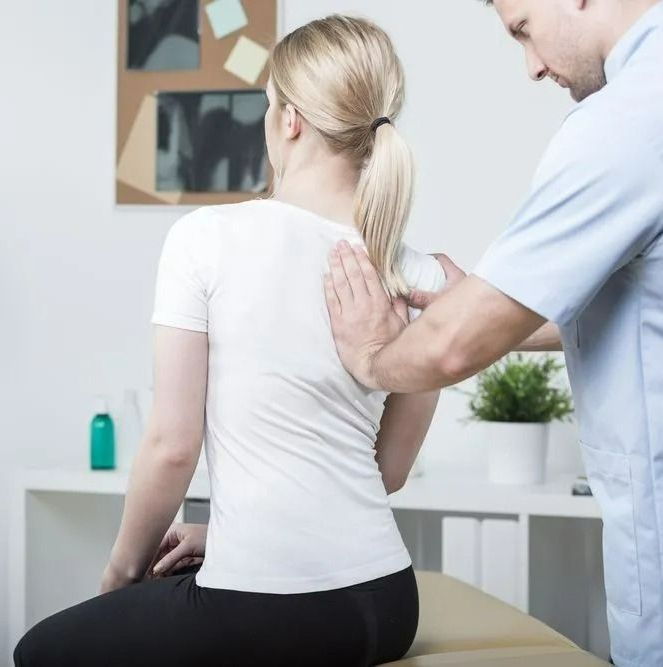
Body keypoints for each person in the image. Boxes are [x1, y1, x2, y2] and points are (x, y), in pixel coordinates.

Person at [14, 15, 446, 667]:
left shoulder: (207, 238)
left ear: (290, 118)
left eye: (269, 104)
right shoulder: (419, 273)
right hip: (387, 602)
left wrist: (120, 574)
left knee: (38, 650)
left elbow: (170, 446)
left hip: (272, 610)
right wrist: (219, 533)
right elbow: (383, 471)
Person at [324, 2, 663, 665]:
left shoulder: (629, 118)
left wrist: (373, 354)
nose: (531, 65)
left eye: (523, 30)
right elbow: (617, 299)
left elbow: (453, 347)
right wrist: (477, 304)